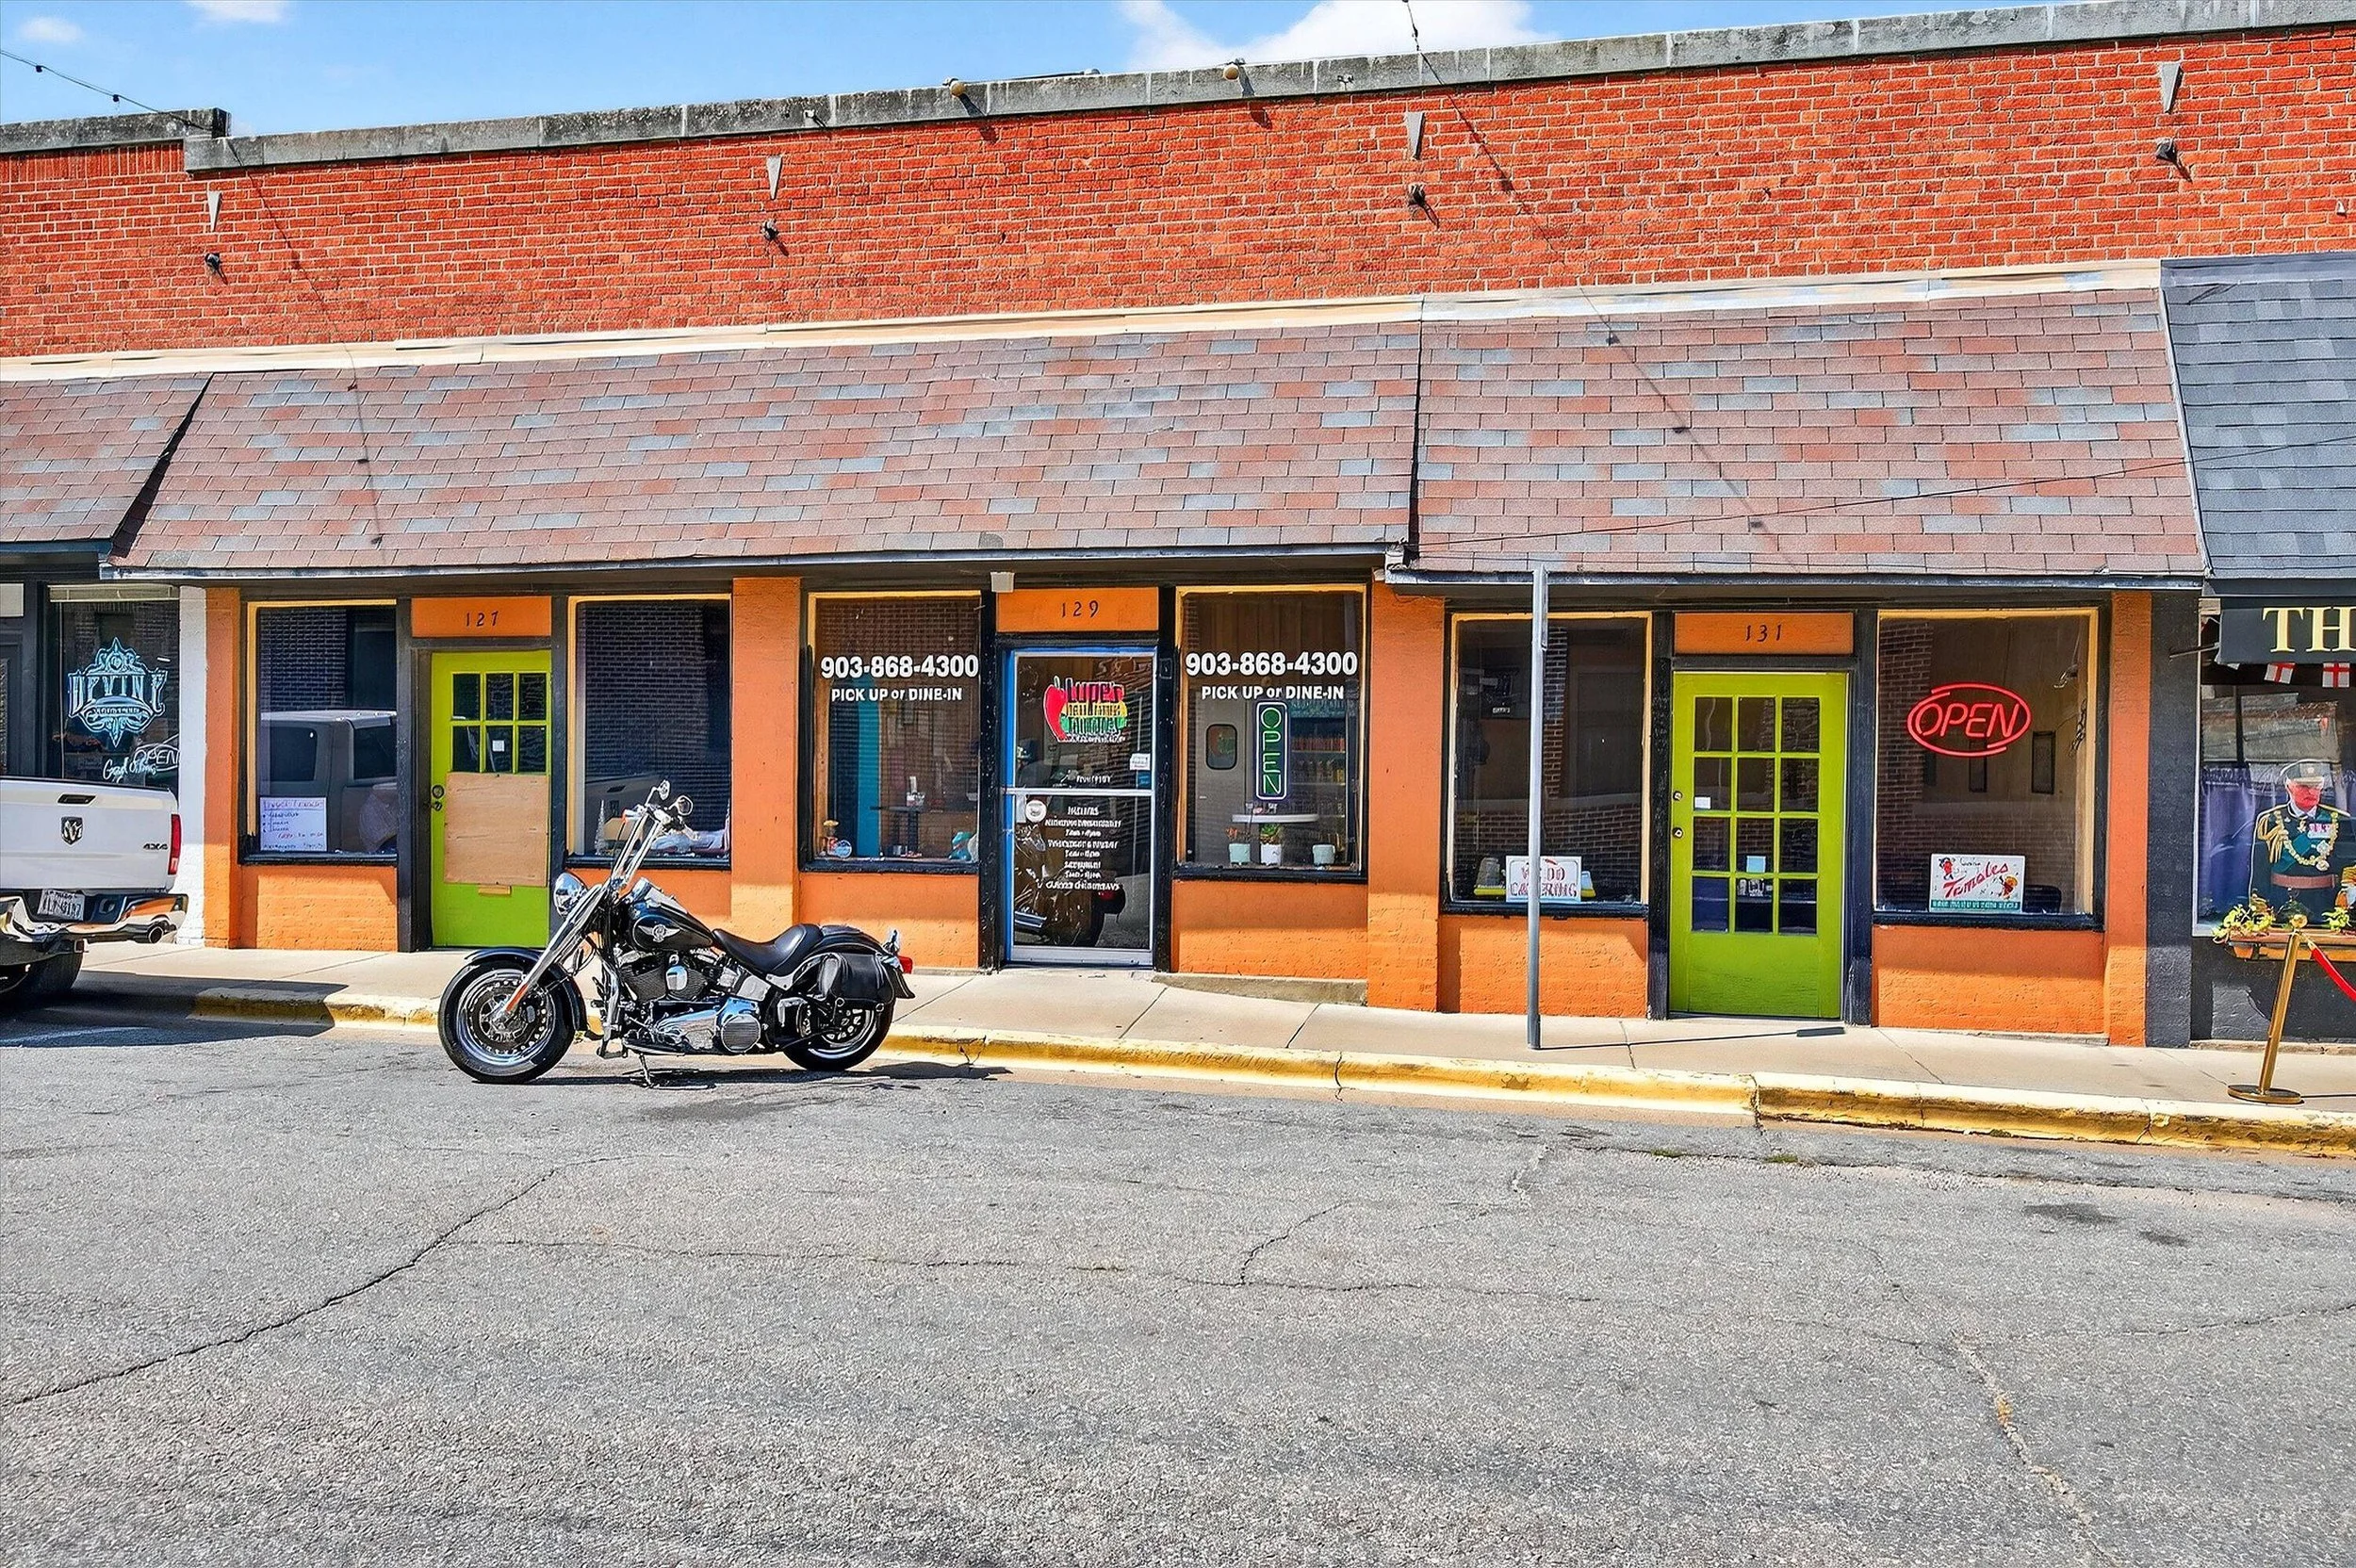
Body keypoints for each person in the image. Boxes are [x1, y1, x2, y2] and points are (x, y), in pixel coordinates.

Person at [2250, 759, 2354, 919]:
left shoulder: (2339, 820)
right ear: (2288, 787)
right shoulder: (2270, 820)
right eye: (2304, 787)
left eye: (2316, 787)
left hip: (2326, 904)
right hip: (2282, 903)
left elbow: (2350, 867)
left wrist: (2347, 898)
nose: (2311, 792)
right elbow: (2260, 871)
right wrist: (2260, 908)